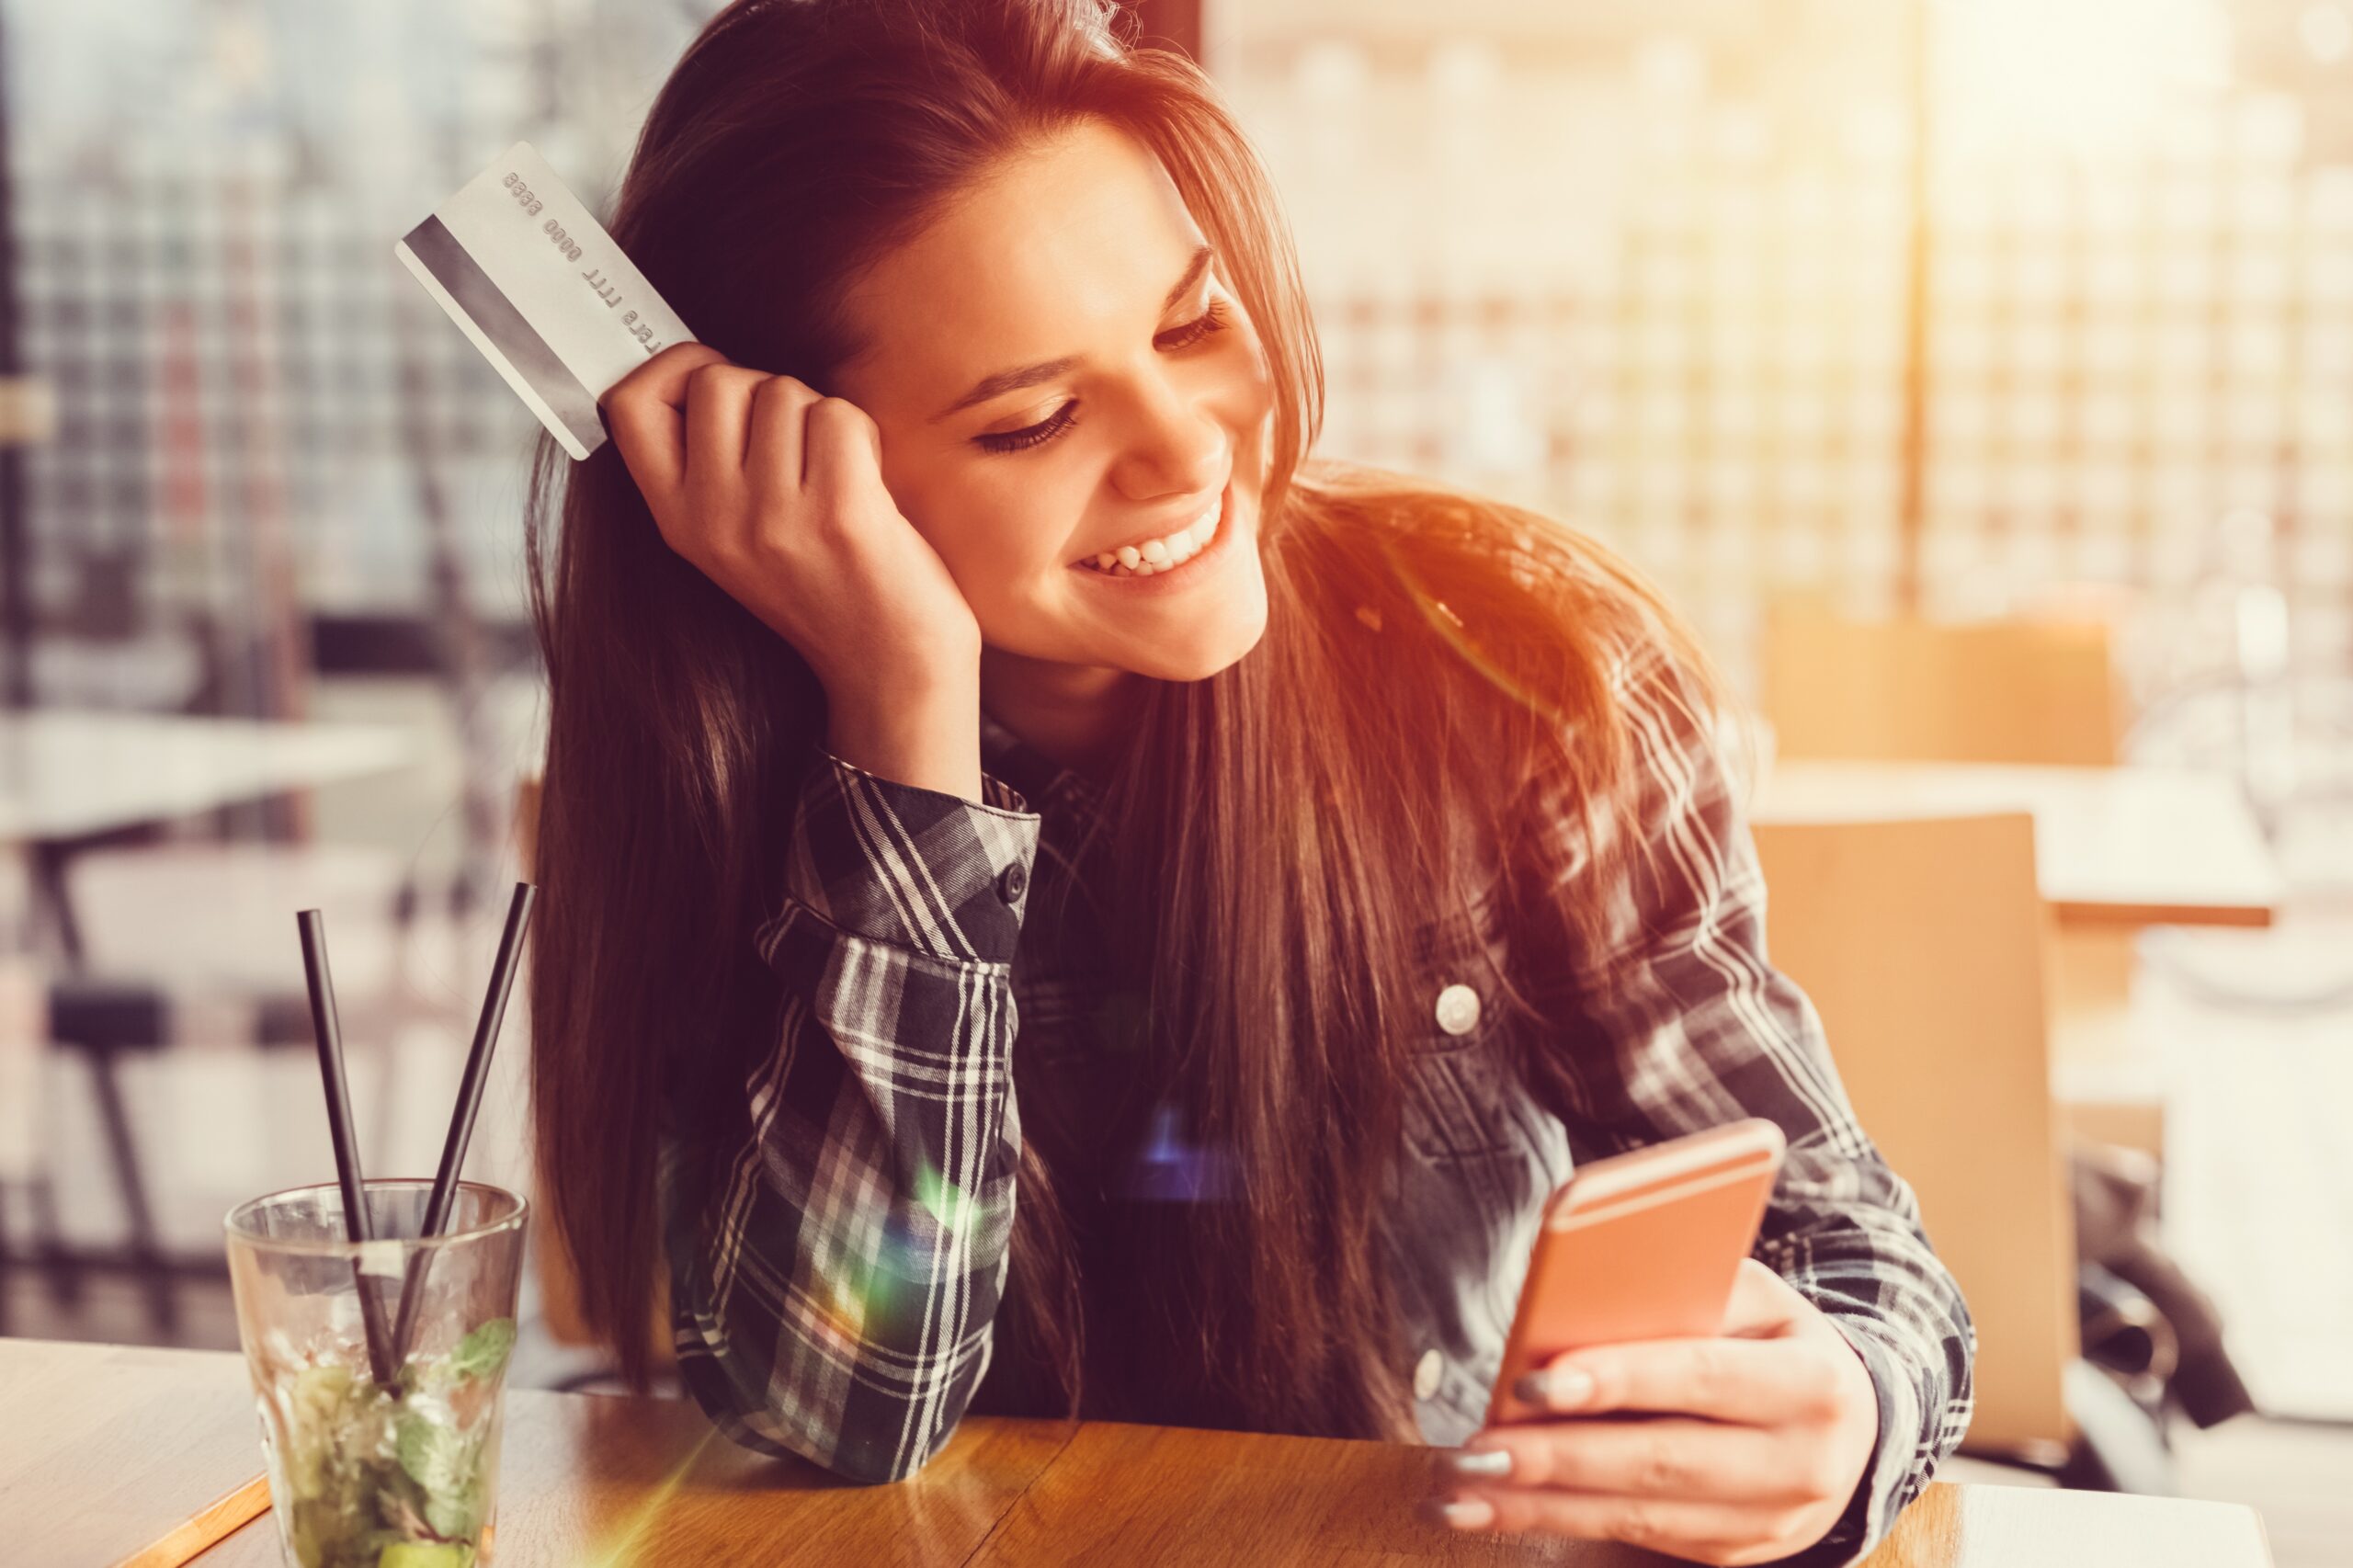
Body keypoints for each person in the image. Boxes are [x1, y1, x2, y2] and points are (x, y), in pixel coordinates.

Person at [525, 2, 1974, 1562]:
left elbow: (1857, 1257)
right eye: (1033, 418)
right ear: (796, 479)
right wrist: (906, 718)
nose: (1183, 448)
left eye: (1192, 323)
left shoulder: (1522, 673)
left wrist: (1853, 1402)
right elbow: (843, 1408)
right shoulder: (733, 769)